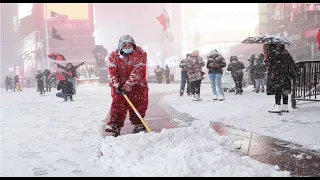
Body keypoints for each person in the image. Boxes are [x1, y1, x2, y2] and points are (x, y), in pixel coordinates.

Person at [105, 35, 149, 136]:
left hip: (137, 85)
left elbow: (139, 69)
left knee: (139, 104)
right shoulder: (113, 55)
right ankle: (115, 124)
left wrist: (129, 84)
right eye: (125, 45)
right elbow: (112, 72)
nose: (128, 47)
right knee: (118, 104)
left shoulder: (140, 53)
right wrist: (117, 84)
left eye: (130, 45)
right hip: (119, 85)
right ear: (120, 46)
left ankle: (138, 123)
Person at [264, 44, 296, 113]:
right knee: (285, 91)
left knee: (277, 91)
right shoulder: (286, 53)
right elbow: (292, 64)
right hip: (286, 75)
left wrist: (266, 59)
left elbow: (268, 64)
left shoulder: (272, 53)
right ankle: (285, 107)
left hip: (276, 75)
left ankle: (277, 106)